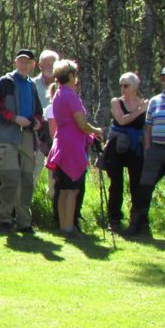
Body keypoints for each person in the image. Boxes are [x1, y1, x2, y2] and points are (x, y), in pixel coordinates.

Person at [0, 49, 44, 233]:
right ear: (15, 63)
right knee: (10, 178)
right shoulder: (5, 82)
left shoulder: (32, 85)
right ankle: (5, 218)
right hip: (7, 135)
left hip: (27, 136)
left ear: (33, 65)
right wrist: (14, 118)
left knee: (27, 179)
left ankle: (24, 221)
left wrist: (37, 121)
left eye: (27, 62)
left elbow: (38, 112)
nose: (23, 65)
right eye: (20, 61)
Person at [45, 60, 103, 237]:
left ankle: (64, 225)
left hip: (61, 142)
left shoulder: (58, 93)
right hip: (72, 145)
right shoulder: (70, 96)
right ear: (70, 75)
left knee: (63, 188)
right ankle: (69, 227)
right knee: (72, 188)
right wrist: (96, 131)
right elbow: (82, 124)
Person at [126, 65, 165, 241]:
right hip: (156, 149)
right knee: (145, 186)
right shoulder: (155, 101)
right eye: (163, 78)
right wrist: (147, 148)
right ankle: (137, 224)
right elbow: (148, 127)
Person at [103, 72, 146, 231]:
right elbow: (121, 120)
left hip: (136, 146)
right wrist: (140, 111)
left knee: (137, 183)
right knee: (116, 183)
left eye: (126, 85)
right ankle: (114, 219)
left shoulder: (144, 103)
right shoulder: (116, 102)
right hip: (117, 145)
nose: (122, 88)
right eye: (121, 85)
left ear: (135, 87)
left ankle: (138, 220)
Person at [33, 49, 59, 196]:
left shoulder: (62, 85)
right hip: (37, 134)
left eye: (53, 64)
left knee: (54, 174)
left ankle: (52, 201)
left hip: (57, 135)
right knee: (34, 169)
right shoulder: (32, 84)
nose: (50, 67)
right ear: (40, 66)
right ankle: (29, 203)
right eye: (46, 64)